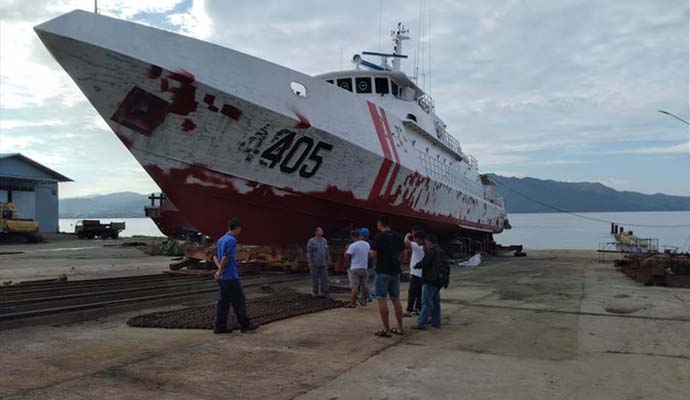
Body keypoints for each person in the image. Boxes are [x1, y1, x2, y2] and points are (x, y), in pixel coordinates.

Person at [212, 218, 257, 334]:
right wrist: (221, 270)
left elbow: (215, 256)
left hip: (222, 278)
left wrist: (219, 270)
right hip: (231, 277)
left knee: (223, 303)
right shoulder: (231, 240)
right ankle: (245, 325)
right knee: (239, 301)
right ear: (237, 228)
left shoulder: (220, 239)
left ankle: (219, 326)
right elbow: (226, 257)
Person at [370, 215, 405, 337]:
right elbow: (404, 252)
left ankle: (387, 329)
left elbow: (373, 254)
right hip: (395, 271)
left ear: (380, 224)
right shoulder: (397, 236)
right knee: (396, 299)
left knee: (381, 299)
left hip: (382, 271)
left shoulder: (378, 237)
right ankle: (400, 328)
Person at [411, 234, 449, 330]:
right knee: (436, 302)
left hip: (430, 279)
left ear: (429, 242)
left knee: (426, 303)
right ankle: (436, 322)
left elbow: (425, 262)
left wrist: (417, 265)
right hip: (438, 280)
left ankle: (421, 323)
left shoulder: (431, 251)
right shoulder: (440, 251)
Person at [344, 229, 370, 307]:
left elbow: (347, 256)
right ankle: (364, 301)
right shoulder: (367, 244)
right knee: (364, 285)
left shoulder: (353, 245)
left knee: (354, 286)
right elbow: (369, 254)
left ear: (353, 237)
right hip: (364, 267)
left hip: (355, 267)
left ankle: (353, 302)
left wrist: (346, 251)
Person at [403, 230, 425, 317]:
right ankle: (418, 308)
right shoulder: (425, 247)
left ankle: (409, 310)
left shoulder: (417, 246)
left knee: (412, 293)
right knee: (419, 293)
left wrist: (407, 235)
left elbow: (406, 242)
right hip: (422, 274)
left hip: (416, 274)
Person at [306, 226, 330, 298]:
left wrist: (328, 259)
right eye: (320, 231)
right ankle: (315, 292)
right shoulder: (311, 241)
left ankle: (325, 292)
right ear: (316, 232)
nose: (322, 232)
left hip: (323, 263)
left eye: (322, 230)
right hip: (315, 263)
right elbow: (309, 252)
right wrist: (310, 262)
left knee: (325, 278)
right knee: (315, 279)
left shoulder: (324, 240)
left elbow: (326, 251)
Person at [358, 227, 374, 303]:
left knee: (364, 282)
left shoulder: (367, 244)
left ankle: (366, 296)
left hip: (366, 265)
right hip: (367, 265)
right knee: (363, 281)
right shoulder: (370, 243)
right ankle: (364, 295)